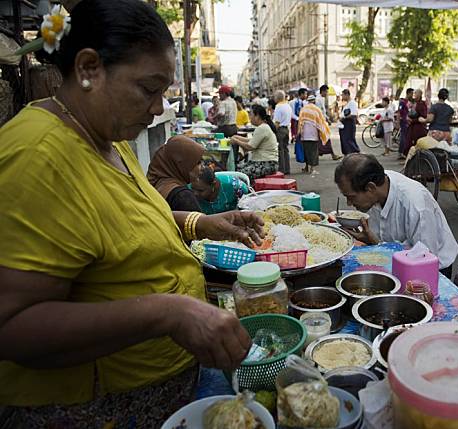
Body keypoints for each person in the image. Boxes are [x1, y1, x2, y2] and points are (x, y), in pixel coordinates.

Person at [0, 1, 264, 427]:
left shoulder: (107, 136)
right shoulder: (37, 156)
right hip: (88, 409)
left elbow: (123, 224)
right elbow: (11, 325)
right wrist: (169, 312)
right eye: (148, 89)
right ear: (89, 68)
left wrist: (204, 223)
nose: (159, 108)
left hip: (163, 388)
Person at [334, 154, 458, 277]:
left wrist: (378, 245)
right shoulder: (379, 186)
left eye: (351, 197)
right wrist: (373, 241)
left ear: (371, 188)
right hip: (391, 260)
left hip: (432, 270)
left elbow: (424, 259)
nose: (349, 203)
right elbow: (385, 244)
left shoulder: (415, 204)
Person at [231, 104, 279, 180]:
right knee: (236, 169)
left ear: (257, 116)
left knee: (239, 174)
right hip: (264, 162)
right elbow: (253, 141)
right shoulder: (263, 127)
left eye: (251, 115)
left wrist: (236, 141)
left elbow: (250, 147)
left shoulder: (262, 128)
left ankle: (245, 190)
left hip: (267, 164)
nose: (250, 117)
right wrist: (237, 138)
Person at [298, 94, 331, 175]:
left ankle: (306, 167)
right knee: (313, 151)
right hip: (313, 134)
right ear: (314, 101)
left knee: (306, 151)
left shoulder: (303, 109)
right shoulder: (317, 109)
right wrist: (323, 132)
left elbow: (300, 121)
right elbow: (321, 122)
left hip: (304, 134)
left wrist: (299, 132)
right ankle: (312, 169)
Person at [316, 84, 343, 161]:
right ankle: (332, 154)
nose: (327, 94)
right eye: (326, 92)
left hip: (323, 121)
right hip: (320, 122)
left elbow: (323, 111)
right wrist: (326, 119)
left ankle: (331, 154)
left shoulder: (321, 99)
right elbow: (319, 112)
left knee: (324, 139)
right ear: (323, 91)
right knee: (325, 138)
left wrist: (327, 118)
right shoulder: (318, 100)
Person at [272, 90, 292, 174]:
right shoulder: (287, 105)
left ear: (277, 97)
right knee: (285, 149)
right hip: (286, 129)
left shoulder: (278, 106)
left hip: (280, 130)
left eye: (274, 97)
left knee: (280, 150)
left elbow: (277, 122)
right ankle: (287, 169)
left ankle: (281, 169)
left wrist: (273, 131)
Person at [404, 88, 428, 157]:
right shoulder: (414, 103)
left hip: (418, 127)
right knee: (409, 144)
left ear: (420, 94)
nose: (414, 95)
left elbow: (423, 116)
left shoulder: (422, 104)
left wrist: (413, 120)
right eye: (414, 93)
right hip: (412, 126)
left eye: (416, 93)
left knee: (417, 143)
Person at [339, 88, 361, 155]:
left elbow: (353, 114)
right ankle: (347, 154)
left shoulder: (352, 103)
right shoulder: (346, 104)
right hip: (344, 124)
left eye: (343, 95)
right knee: (344, 140)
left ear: (347, 95)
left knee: (349, 139)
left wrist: (344, 118)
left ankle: (355, 152)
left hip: (349, 123)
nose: (342, 97)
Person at [397, 88, 414, 159]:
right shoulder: (402, 102)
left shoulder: (409, 102)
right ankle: (401, 152)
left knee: (407, 138)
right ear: (408, 93)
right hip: (403, 122)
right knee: (403, 137)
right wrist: (398, 123)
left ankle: (405, 152)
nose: (412, 95)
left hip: (408, 122)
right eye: (412, 93)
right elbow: (399, 112)